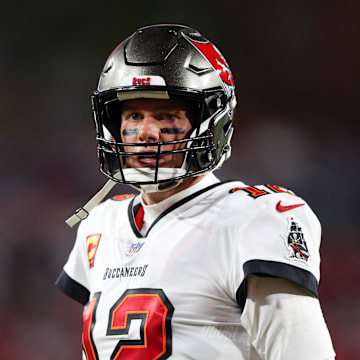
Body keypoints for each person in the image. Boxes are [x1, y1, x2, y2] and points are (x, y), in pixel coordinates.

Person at [56, 24, 336, 360]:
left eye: (167, 115)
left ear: (213, 124)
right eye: (133, 114)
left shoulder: (253, 217)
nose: (145, 131)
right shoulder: (100, 224)